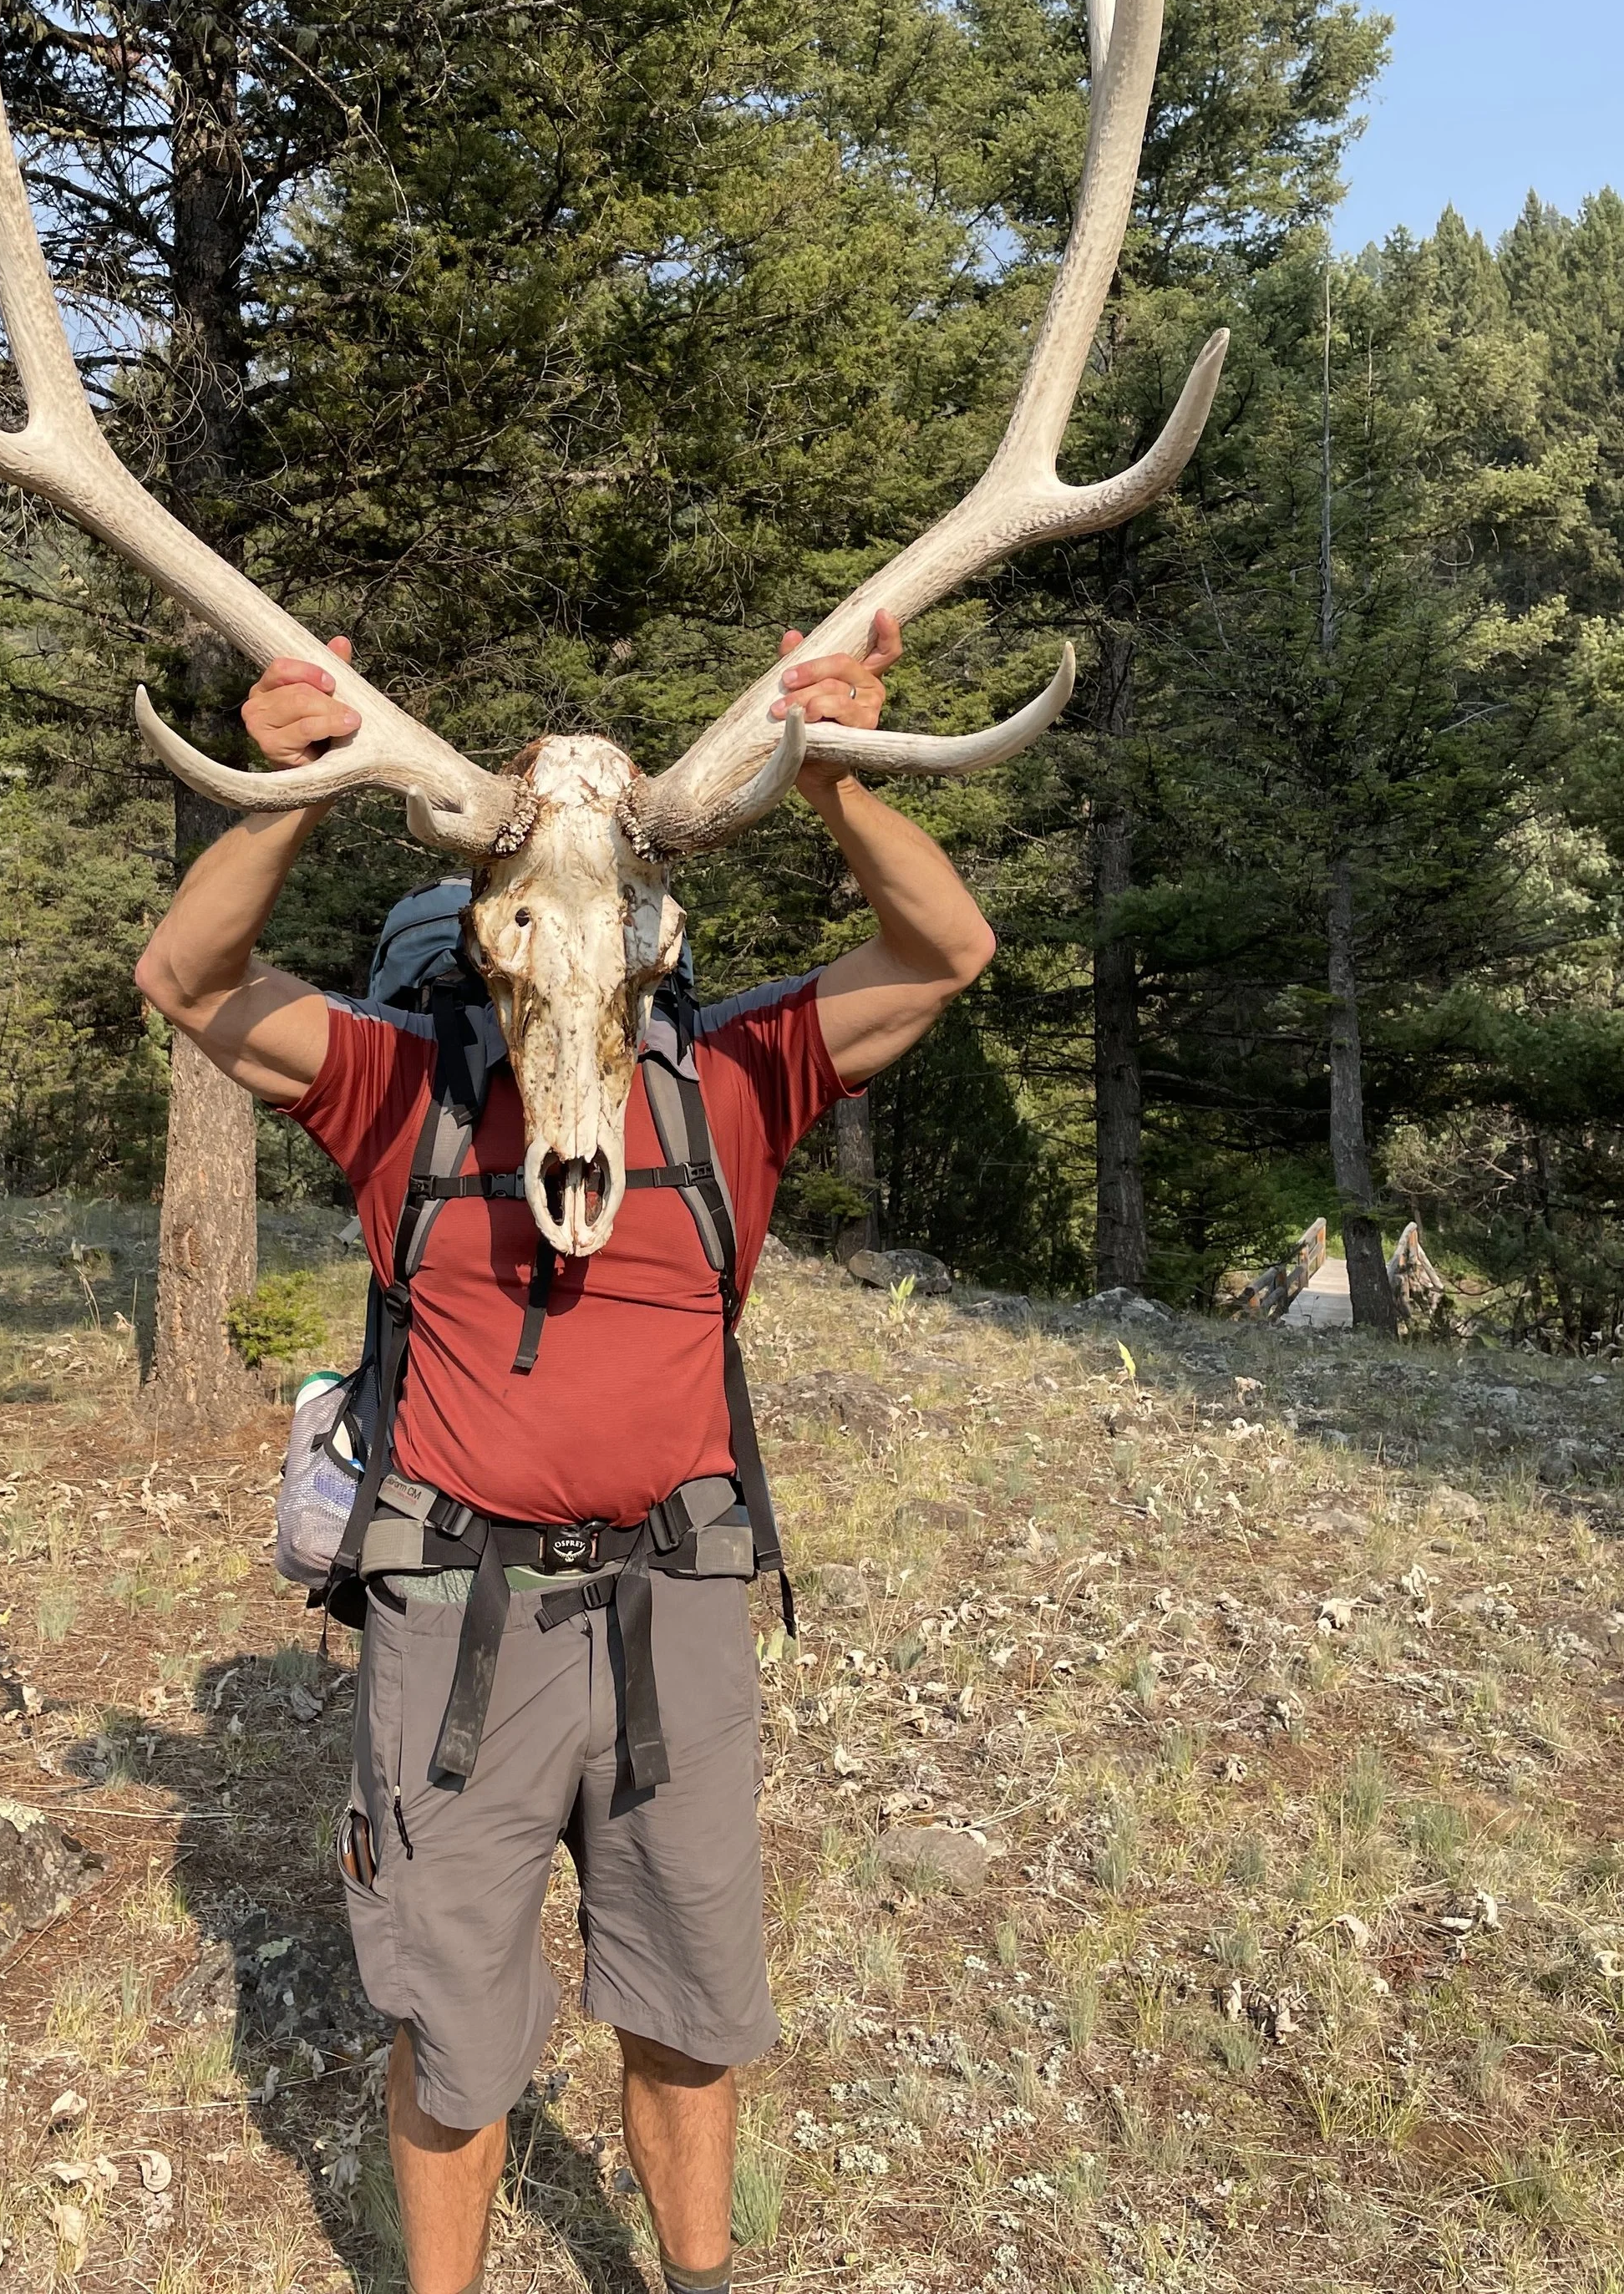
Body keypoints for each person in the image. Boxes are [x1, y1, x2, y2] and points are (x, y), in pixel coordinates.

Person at [134, 610, 995, 2294]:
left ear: (657, 940)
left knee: (688, 2004)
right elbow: (186, 981)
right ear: (483, 937)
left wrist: (826, 772)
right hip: (458, 1617)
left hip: (675, 1604)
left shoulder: (730, 1084)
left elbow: (943, 945)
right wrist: (295, 784)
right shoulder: (402, 1094)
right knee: (452, 2022)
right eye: (531, 929)